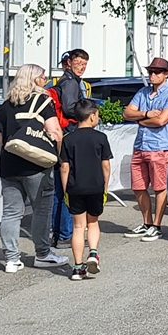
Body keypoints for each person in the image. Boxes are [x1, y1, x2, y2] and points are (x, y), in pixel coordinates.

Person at [0, 64, 68, 272]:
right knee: (41, 210)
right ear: (35, 80)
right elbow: (56, 132)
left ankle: (11, 259)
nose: (46, 81)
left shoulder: (5, 106)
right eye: (43, 77)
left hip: (9, 165)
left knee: (11, 213)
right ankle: (42, 254)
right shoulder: (42, 101)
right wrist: (55, 157)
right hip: (37, 165)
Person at [122, 57, 168, 242]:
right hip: (140, 145)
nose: (152, 75)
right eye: (150, 71)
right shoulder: (143, 92)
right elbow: (127, 113)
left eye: (156, 72)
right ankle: (147, 223)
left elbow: (162, 120)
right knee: (138, 186)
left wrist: (140, 120)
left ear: (165, 74)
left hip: (159, 146)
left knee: (159, 187)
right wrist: (145, 114)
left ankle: (156, 226)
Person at [59, 98, 113, 281]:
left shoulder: (68, 139)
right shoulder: (101, 138)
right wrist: (105, 185)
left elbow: (64, 167)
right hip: (96, 186)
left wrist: (66, 189)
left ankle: (77, 267)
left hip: (75, 187)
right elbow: (105, 165)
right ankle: (93, 253)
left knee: (78, 226)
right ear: (92, 116)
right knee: (93, 223)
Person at [48, 47, 90, 248]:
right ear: (69, 63)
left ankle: (57, 233)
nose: (81, 67)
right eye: (78, 63)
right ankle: (65, 234)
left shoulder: (63, 81)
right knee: (68, 186)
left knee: (59, 187)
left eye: (84, 64)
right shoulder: (71, 82)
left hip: (61, 137)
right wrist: (87, 111)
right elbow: (69, 107)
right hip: (69, 136)